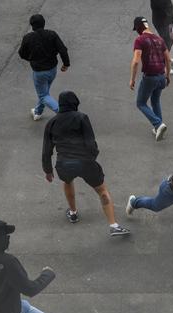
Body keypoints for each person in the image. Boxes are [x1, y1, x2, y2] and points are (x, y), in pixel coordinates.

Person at [42, 91, 131, 236]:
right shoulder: (81, 118)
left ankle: (73, 212)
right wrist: (92, 158)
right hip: (85, 161)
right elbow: (90, 142)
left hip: (64, 163)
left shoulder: (51, 123)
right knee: (102, 190)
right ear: (75, 102)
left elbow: (47, 149)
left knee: (68, 182)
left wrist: (48, 170)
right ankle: (113, 225)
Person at [18, 14, 70, 121]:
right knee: (45, 93)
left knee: (43, 95)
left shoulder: (28, 38)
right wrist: (66, 64)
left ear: (32, 26)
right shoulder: (52, 34)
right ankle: (38, 112)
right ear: (44, 23)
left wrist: (32, 59)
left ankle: (64, 114)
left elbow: (22, 54)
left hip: (39, 72)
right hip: (52, 70)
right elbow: (63, 50)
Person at [130, 16, 171, 142]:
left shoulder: (140, 40)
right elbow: (168, 59)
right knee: (155, 100)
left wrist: (132, 79)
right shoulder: (159, 39)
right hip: (161, 77)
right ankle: (158, 128)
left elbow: (136, 61)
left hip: (150, 77)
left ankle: (158, 124)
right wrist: (167, 75)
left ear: (138, 28)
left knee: (141, 103)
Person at [150, 0, 173, 75]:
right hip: (163, 23)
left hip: (168, 21)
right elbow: (160, 9)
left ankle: (165, 56)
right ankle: (164, 66)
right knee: (167, 41)